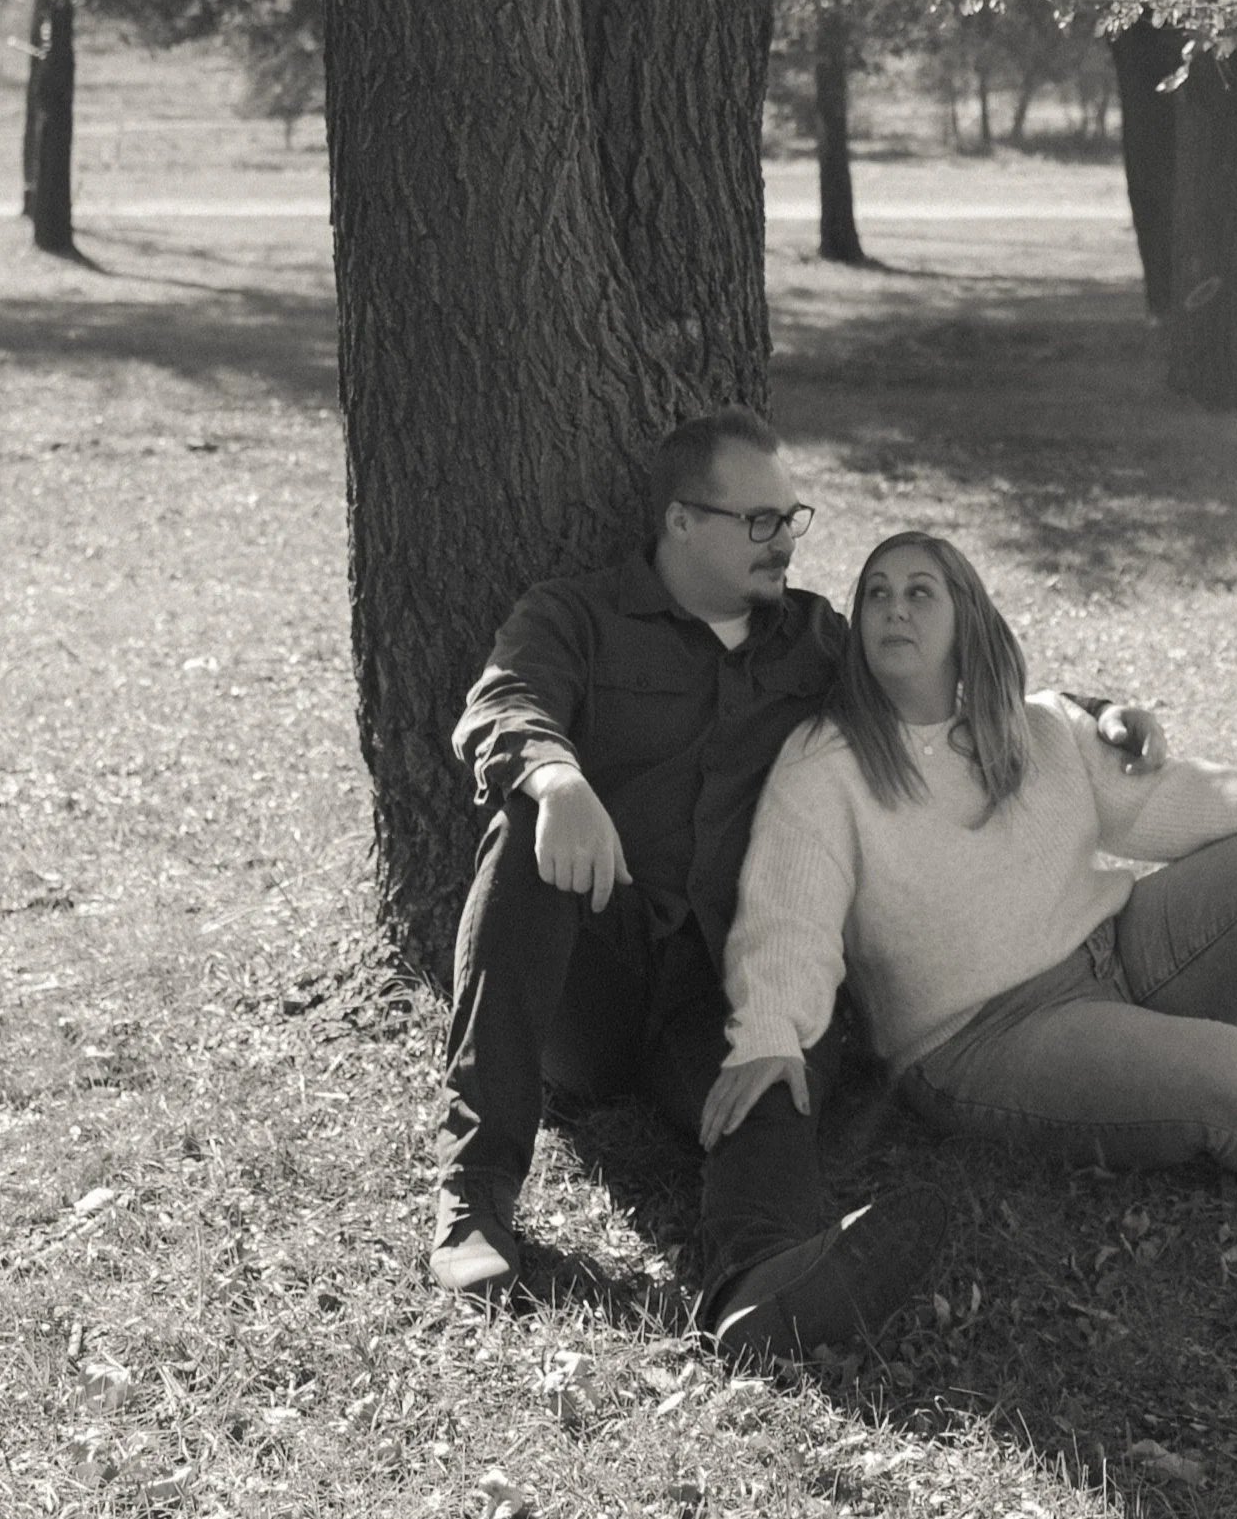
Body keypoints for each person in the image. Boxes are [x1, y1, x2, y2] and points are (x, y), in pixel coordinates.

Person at [429, 411, 1162, 1358]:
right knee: (525, 822)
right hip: (591, 977)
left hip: (716, 977)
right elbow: (504, 700)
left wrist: (1095, 713)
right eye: (761, 521)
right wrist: (556, 776)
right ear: (681, 521)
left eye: (791, 518)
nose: (785, 541)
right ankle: (473, 1200)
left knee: (770, 1053)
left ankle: (764, 1282)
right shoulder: (578, 615)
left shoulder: (813, 641)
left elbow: (942, 686)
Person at [705, 531, 1237, 1246]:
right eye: (878, 594)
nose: (894, 607)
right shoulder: (825, 765)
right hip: (987, 1039)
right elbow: (788, 912)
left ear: (967, 614)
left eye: (919, 590)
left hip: (1118, 953)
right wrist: (768, 1035)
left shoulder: (1039, 726)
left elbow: (1171, 798)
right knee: (1229, 1078)